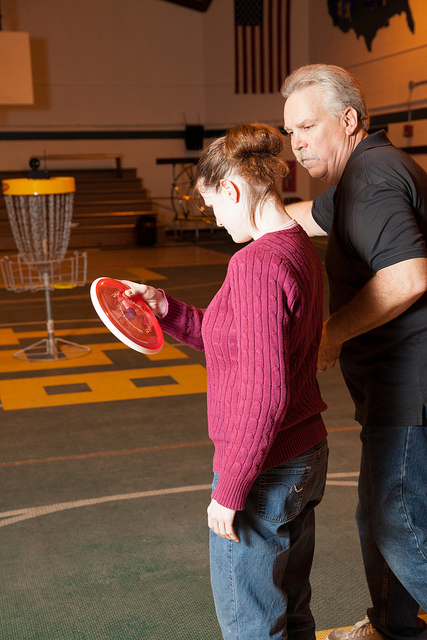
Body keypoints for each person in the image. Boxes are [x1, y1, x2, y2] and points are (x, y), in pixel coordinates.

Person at [122, 123, 328, 640]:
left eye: (211, 205)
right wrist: (164, 308)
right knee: (292, 611)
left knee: (251, 625)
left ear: (233, 190)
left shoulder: (256, 264)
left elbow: (265, 392)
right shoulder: (296, 246)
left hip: (265, 470)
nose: (213, 218)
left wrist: (231, 488)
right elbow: (234, 340)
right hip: (304, 454)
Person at [281, 64, 427, 640]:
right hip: (394, 386)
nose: (296, 143)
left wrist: (331, 332)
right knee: (380, 512)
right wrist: (235, 203)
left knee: (397, 518)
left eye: (307, 127)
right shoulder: (357, 178)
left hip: (410, 385)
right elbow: (296, 220)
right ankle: (393, 627)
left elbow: (407, 276)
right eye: (290, 132)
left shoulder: (370, 179)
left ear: (348, 120)